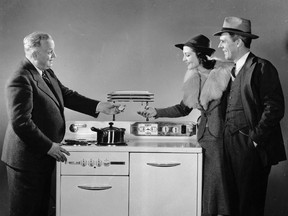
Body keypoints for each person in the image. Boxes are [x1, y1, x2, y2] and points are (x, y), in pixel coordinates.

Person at [1, 32, 123, 216]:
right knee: (26, 212)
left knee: (40, 210)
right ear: (34, 53)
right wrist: (49, 146)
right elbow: (21, 122)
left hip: (41, 156)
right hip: (27, 160)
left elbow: (66, 95)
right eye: (50, 52)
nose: (54, 56)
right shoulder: (20, 78)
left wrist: (100, 106)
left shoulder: (46, 72)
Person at [137, 34, 234, 216]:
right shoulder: (193, 77)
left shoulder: (226, 73)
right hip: (204, 139)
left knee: (220, 188)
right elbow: (183, 109)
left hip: (222, 138)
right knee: (205, 188)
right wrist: (156, 112)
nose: (184, 59)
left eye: (188, 55)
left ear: (200, 54)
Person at [213, 17, 286, 216]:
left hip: (250, 148)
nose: (219, 45)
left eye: (224, 40)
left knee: (249, 207)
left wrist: (255, 139)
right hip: (228, 147)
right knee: (231, 207)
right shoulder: (229, 70)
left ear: (238, 41)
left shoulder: (262, 67)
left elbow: (275, 107)